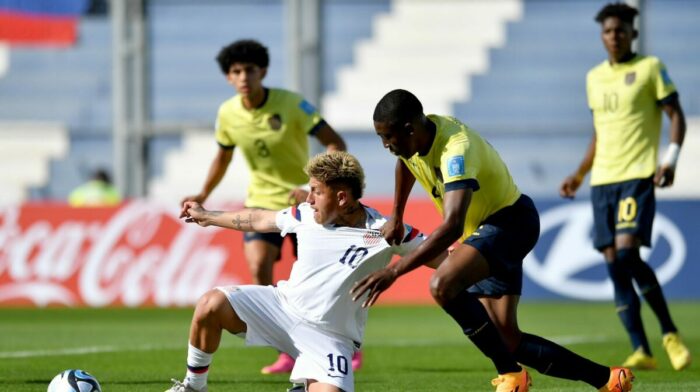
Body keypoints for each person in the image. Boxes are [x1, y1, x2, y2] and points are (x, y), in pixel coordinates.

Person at [352, 89, 633, 392]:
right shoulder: (416, 140)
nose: (385, 145)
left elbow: (451, 227)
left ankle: (511, 374)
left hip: (510, 223)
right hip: (485, 230)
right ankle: (608, 379)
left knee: (442, 285)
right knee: (507, 339)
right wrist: (396, 214)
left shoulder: (455, 150)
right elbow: (405, 163)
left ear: (408, 129)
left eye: (388, 137)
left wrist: (395, 271)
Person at [167, 151, 437, 392]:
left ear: (341, 197)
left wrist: (474, 252)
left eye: (316, 191)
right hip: (280, 309)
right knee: (210, 304)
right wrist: (208, 216)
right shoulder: (305, 214)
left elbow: (442, 257)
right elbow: (260, 219)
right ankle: (193, 387)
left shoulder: (386, 230)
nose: (308, 198)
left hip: (330, 337)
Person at [181, 39, 351, 374]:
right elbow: (222, 157)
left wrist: (315, 188)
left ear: (263, 72)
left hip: (306, 203)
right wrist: (202, 193)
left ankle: (338, 342)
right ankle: (288, 349)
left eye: (249, 70)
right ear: (229, 78)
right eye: (236, 72)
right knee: (258, 267)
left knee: (319, 280)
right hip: (261, 202)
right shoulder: (228, 114)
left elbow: (335, 142)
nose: (243, 76)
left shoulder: (293, 104)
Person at [559, 3, 691, 371]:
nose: (614, 36)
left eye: (620, 30)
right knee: (614, 263)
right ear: (601, 36)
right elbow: (599, 133)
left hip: (637, 176)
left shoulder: (650, 68)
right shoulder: (593, 78)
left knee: (628, 253)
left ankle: (669, 334)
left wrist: (671, 159)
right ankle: (641, 350)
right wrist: (580, 173)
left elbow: (675, 114)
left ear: (633, 33)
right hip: (602, 181)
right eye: (607, 31)